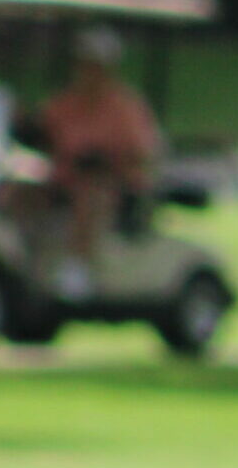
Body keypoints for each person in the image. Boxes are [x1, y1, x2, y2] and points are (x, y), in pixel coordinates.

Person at [35, 23, 164, 299]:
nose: (88, 72)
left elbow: (141, 155)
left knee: (90, 193)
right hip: (62, 183)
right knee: (16, 191)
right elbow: (43, 135)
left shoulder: (126, 108)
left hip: (115, 188)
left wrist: (104, 158)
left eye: (95, 65)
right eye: (84, 64)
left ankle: (77, 269)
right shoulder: (64, 103)